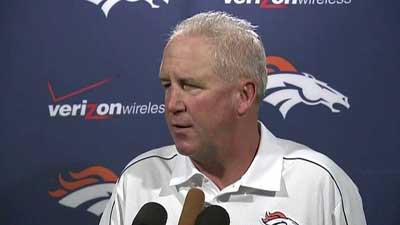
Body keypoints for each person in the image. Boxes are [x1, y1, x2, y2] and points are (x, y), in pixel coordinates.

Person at [99, 11, 366, 225]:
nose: (171, 104)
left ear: (244, 95)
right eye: (167, 85)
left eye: (190, 85)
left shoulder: (319, 183)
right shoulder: (138, 179)